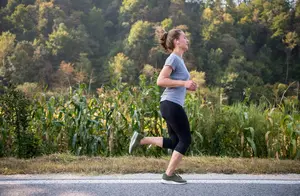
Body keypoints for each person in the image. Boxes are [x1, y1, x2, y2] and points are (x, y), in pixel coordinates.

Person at [129, 29, 197, 184]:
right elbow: (160, 80)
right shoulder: (173, 58)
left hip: (170, 104)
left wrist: (187, 86)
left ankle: (141, 140)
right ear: (176, 42)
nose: (187, 40)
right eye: (184, 37)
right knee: (185, 139)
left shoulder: (178, 59)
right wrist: (184, 83)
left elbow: (174, 82)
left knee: (175, 141)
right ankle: (169, 174)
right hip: (171, 104)